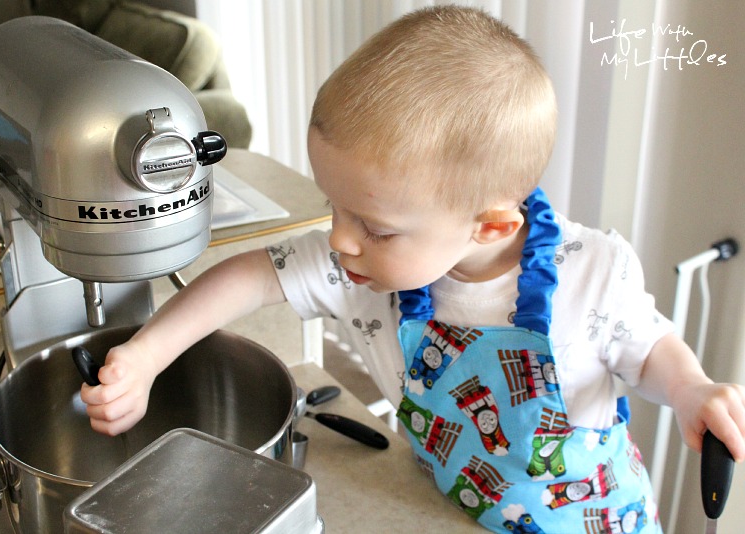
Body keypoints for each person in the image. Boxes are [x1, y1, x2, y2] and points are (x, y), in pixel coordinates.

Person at [81, 6, 745, 532]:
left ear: (488, 227)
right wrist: (145, 358)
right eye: (333, 206)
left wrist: (689, 388)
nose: (340, 239)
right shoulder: (367, 263)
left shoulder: (592, 272)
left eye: (373, 225)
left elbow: (647, 346)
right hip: (448, 507)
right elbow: (251, 276)